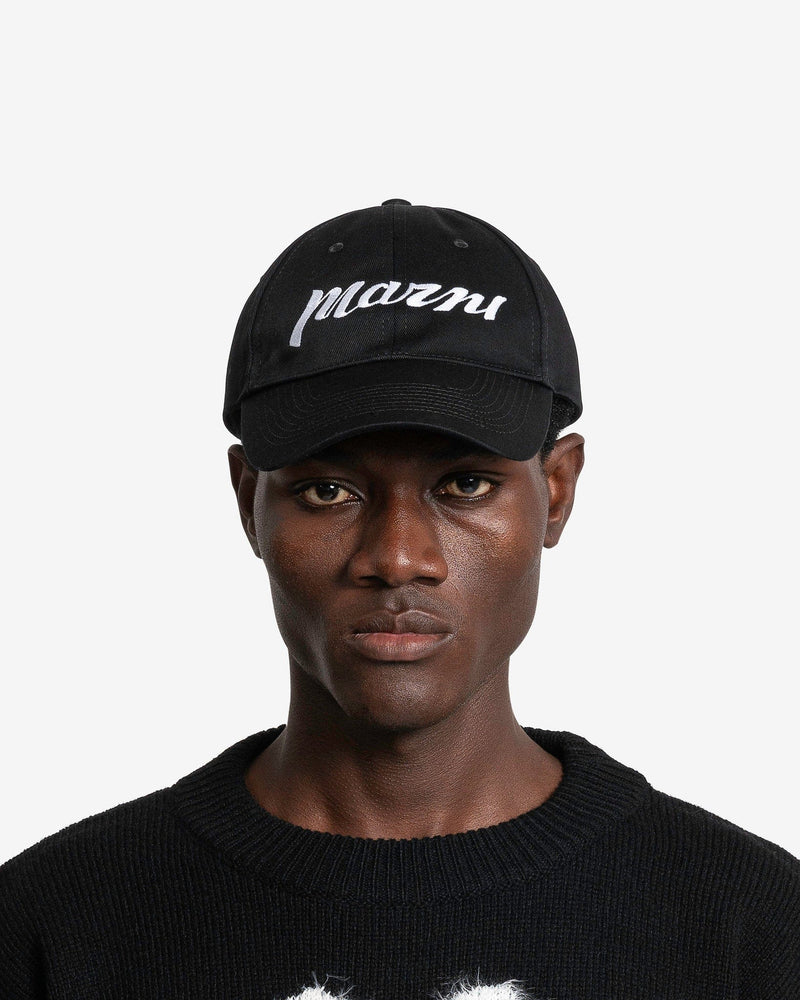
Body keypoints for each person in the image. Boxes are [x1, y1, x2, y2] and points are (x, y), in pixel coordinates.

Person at [1, 199, 798, 999]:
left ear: (556, 492)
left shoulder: (751, 932)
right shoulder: (53, 930)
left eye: (465, 484)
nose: (397, 557)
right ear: (248, 502)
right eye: (327, 490)